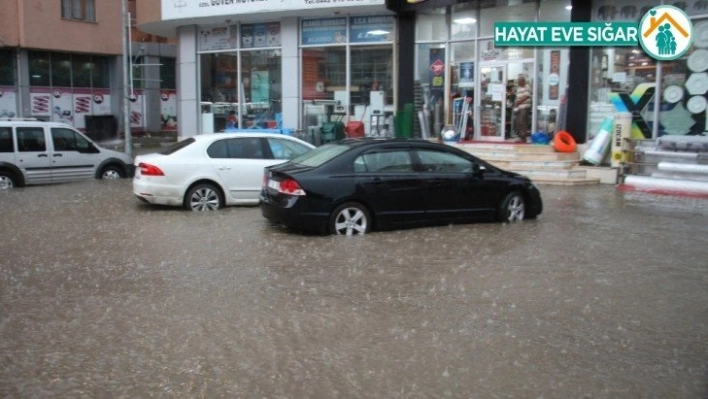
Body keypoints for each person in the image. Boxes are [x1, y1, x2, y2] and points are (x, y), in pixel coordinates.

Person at [513, 75, 532, 143]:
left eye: (519, 81)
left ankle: (523, 138)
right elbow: (518, 96)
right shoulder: (519, 87)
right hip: (519, 107)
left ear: (523, 81)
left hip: (525, 107)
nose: (518, 83)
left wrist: (518, 102)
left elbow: (526, 96)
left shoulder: (527, 86)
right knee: (518, 122)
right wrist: (516, 103)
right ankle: (520, 137)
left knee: (523, 122)